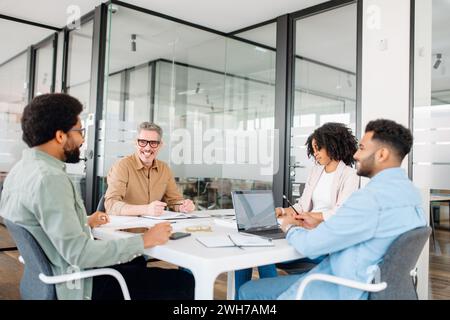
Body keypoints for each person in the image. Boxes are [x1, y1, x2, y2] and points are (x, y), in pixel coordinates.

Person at [0, 93, 194, 300]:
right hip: (77, 283)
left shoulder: (19, 172)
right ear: (60, 136)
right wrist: (144, 240)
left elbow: (42, 225)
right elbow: (80, 254)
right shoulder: (50, 179)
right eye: (80, 131)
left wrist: (84, 221)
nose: (83, 139)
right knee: (184, 283)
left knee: (137, 267)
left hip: (51, 276)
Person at [239, 119, 427, 300]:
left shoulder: (369, 199)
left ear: (382, 154)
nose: (355, 155)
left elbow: (311, 245)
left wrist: (289, 227)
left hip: (342, 286)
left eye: (362, 148)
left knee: (248, 291)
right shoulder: (412, 197)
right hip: (369, 283)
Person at [235, 122, 360, 298]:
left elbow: (340, 213)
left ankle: (269, 297)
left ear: (333, 145)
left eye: (319, 148)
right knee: (253, 247)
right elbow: (301, 205)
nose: (315, 153)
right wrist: (282, 211)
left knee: (263, 252)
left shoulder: (350, 175)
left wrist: (310, 216)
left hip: (323, 241)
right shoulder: (317, 172)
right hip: (304, 230)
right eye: (313, 149)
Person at [104, 122, 195, 216]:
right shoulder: (122, 166)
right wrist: (145, 209)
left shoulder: (164, 169)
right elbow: (111, 205)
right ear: (136, 143)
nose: (147, 148)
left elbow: (174, 201)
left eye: (153, 143)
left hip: (155, 227)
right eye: (142, 142)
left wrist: (182, 206)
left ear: (160, 145)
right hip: (125, 228)